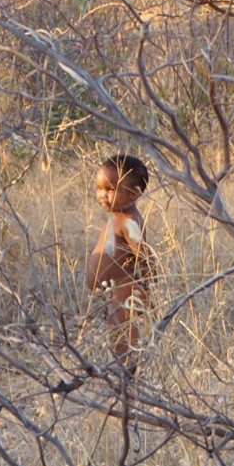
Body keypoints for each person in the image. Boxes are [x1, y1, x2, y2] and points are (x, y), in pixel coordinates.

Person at [85, 154, 153, 370]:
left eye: (110, 189)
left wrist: (150, 291)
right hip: (113, 293)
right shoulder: (118, 217)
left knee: (124, 344)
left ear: (134, 193)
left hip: (126, 292)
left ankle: (129, 381)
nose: (102, 195)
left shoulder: (130, 221)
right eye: (99, 188)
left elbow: (145, 258)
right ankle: (123, 378)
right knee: (117, 340)